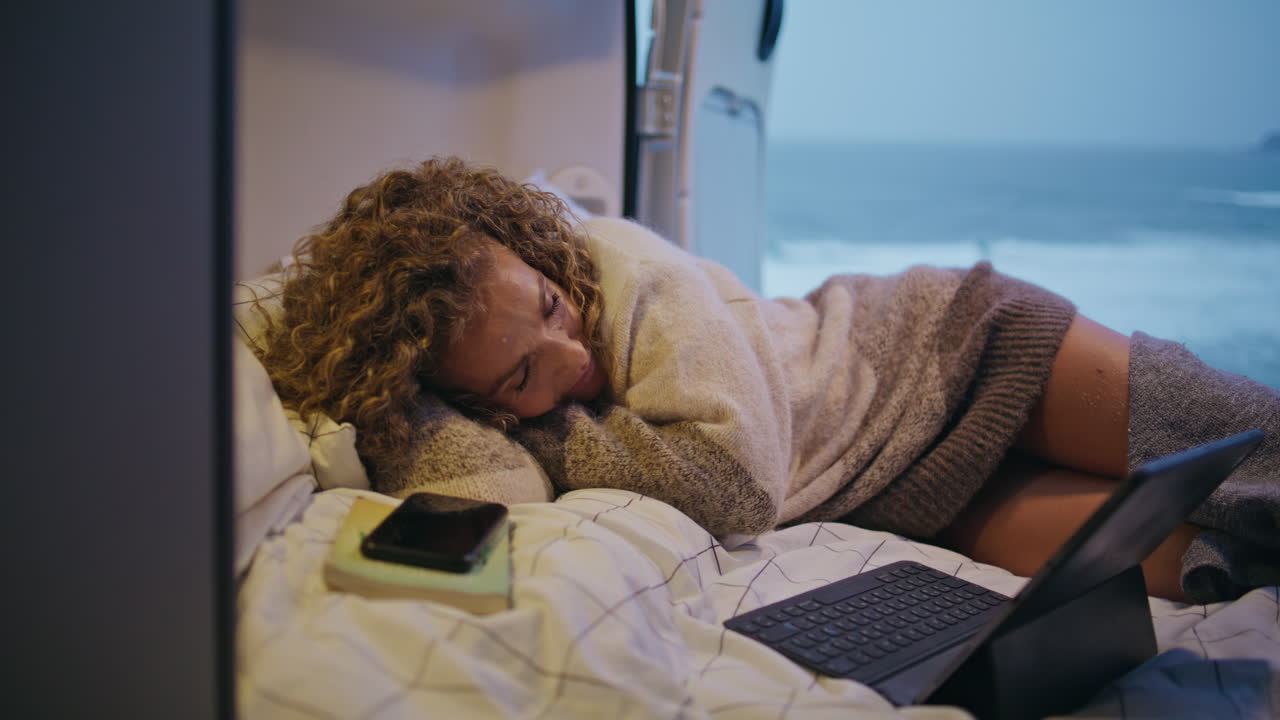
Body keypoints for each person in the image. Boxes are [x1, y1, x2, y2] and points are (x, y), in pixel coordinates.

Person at [254, 157, 1278, 604]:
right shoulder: (479, 409)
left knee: (1256, 455)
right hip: (900, 489)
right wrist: (419, 411)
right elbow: (494, 494)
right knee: (1185, 564)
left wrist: (537, 422)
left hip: (950, 348)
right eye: (521, 375)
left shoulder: (624, 271)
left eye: (550, 312)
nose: (571, 358)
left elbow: (732, 488)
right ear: (470, 400)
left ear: (537, 256)